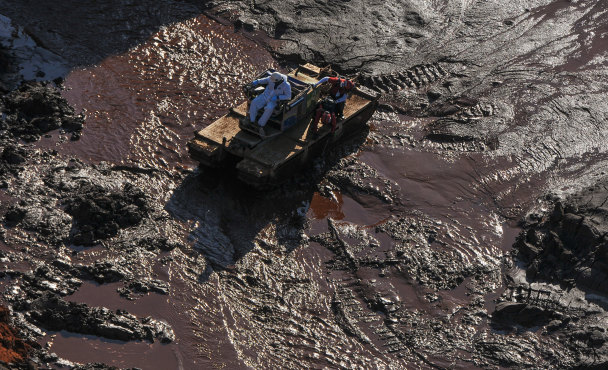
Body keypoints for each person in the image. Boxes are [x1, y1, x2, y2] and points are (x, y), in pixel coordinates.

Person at [248, 71, 291, 136]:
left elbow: (288, 96)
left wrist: (278, 97)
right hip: (265, 95)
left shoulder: (286, 85)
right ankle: (252, 120)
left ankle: (260, 125)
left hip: (274, 100)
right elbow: (264, 80)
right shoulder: (271, 78)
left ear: (278, 81)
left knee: (269, 108)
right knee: (254, 102)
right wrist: (257, 81)